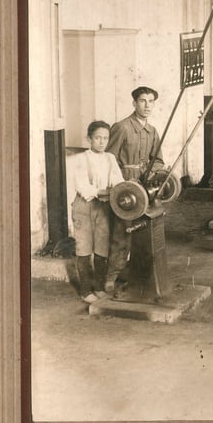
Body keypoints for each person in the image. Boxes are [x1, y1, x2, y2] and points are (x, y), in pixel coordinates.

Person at [104, 86, 165, 292]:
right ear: (134, 103)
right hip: (125, 188)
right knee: (122, 232)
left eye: (151, 101)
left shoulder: (152, 131)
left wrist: (151, 174)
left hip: (145, 188)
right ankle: (111, 277)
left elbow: (158, 161)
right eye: (142, 101)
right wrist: (122, 184)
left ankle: (141, 275)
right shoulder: (122, 127)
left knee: (145, 230)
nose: (147, 105)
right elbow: (108, 159)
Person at [72, 120, 124, 304]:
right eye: (97, 138)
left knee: (102, 248)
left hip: (104, 208)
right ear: (89, 139)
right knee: (84, 248)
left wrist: (115, 190)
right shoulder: (80, 159)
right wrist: (105, 191)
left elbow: (118, 182)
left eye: (105, 138)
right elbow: (84, 188)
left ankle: (100, 287)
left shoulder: (110, 158)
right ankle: (85, 291)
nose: (102, 142)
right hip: (84, 208)